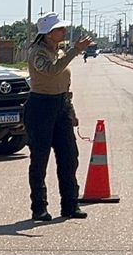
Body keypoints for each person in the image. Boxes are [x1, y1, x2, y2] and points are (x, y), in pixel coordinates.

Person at [23, 13, 93, 223]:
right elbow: (53, 71)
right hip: (40, 108)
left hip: (60, 106)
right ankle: (39, 208)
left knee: (69, 157)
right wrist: (75, 51)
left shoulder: (58, 51)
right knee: (40, 160)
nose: (63, 32)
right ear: (47, 34)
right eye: (59, 29)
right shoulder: (38, 53)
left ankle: (70, 204)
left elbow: (64, 84)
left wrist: (70, 111)